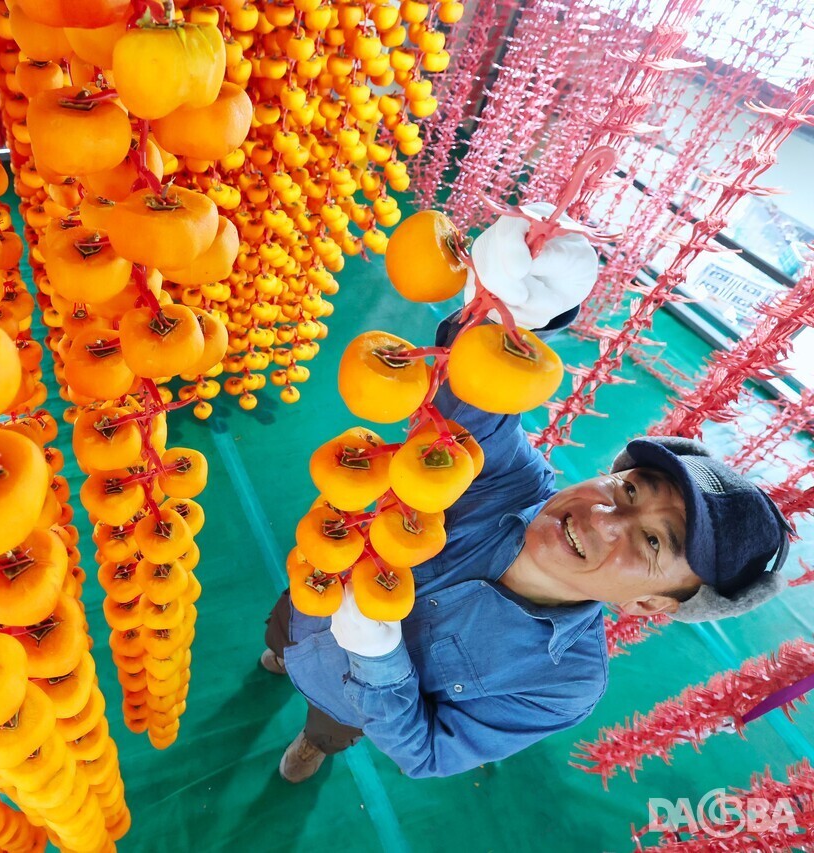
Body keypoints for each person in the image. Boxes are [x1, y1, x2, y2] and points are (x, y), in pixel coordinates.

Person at [262, 208, 795, 782]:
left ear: (654, 604)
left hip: (348, 704)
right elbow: (478, 399)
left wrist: (377, 658)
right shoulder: (508, 480)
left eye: (650, 542)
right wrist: (516, 315)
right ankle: (274, 657)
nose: (602, 515)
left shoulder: (562, 684)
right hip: (307, 605)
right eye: (630, 488)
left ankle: (314, 743)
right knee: (278, 638)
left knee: (330, 726)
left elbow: (427, 752)